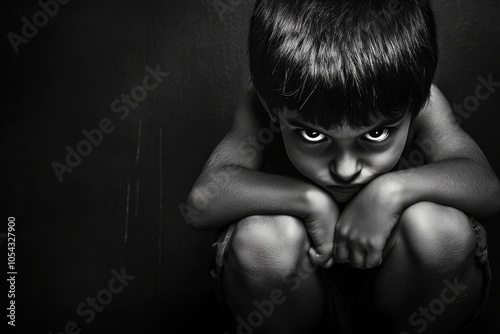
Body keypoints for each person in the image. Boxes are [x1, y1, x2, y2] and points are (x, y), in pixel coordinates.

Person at [185, 0, 500, 333]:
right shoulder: (268, 105)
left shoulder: (420, 101)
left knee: (440, 230)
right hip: (296, 298)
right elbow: (200, 204)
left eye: (376, 133)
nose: (346, 169)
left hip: (401, 288)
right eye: (313, 134)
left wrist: (391, 192)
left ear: (416, 100)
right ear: (271, 105)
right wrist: (309, 201)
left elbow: (488, 189)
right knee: (263, 239)